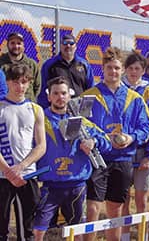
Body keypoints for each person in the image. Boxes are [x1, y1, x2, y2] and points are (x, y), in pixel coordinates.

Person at [82, 47, 149, 241]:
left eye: (116, 68)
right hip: (97, 158)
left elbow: (146, 126)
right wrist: (97, 139)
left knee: (115, 208)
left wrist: (131, 138)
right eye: (109, 68)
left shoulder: (134, 98)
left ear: (122, 70)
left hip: (123, 159)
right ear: (102, 69)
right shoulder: (90, 95)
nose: (113, 72)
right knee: (93, 207)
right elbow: (82, 124)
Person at [33, 76, 112, 241]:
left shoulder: (82, 121)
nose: (60, 97)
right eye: (55, 93)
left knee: (76, 231)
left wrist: (93, 141)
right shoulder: (40, 119)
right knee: (38, 230)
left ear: (69, 96)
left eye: (63, 93)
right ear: (49, 96)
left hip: (76, 186)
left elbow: (107, 141)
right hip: (50, 185)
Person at [121, 52, 149, 241]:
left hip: (142, 153)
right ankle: (123, 235)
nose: (133, 72)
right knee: (122, 197)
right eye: (130, 68)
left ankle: (142, 235)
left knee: (141, 198)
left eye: (137, 68)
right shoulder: (118, 89)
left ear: (143, 70)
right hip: (121, 154)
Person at [0, 63, 46, 241]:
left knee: (27, 231)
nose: (20, 87)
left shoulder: (35, 109)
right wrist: (8, 170)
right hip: (3, 177)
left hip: (27, 176)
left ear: (29, 83)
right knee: (1, 229)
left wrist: (21, 167)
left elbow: (41, 146)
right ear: (8, 82)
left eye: (24, 82)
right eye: (16, 82)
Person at [38, 33, 94, 108]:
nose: (68, 46)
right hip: (57, 110)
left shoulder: (84, 65)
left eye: (71, 43)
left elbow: (90, 89)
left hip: (79, 110)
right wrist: (45, 110)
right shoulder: (49, 65)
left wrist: (88, 109)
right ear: (60, 46)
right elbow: (43, 90)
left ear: (76, 47)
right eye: (65, 43)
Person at [0, 32, 41, 101]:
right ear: (7, 45)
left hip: (28, 107)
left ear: (23, 46)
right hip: (6, 106)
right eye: (12, 43)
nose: (16, 46)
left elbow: (37, 87)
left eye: (19, 43)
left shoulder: (32, 65)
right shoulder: (1, 64)